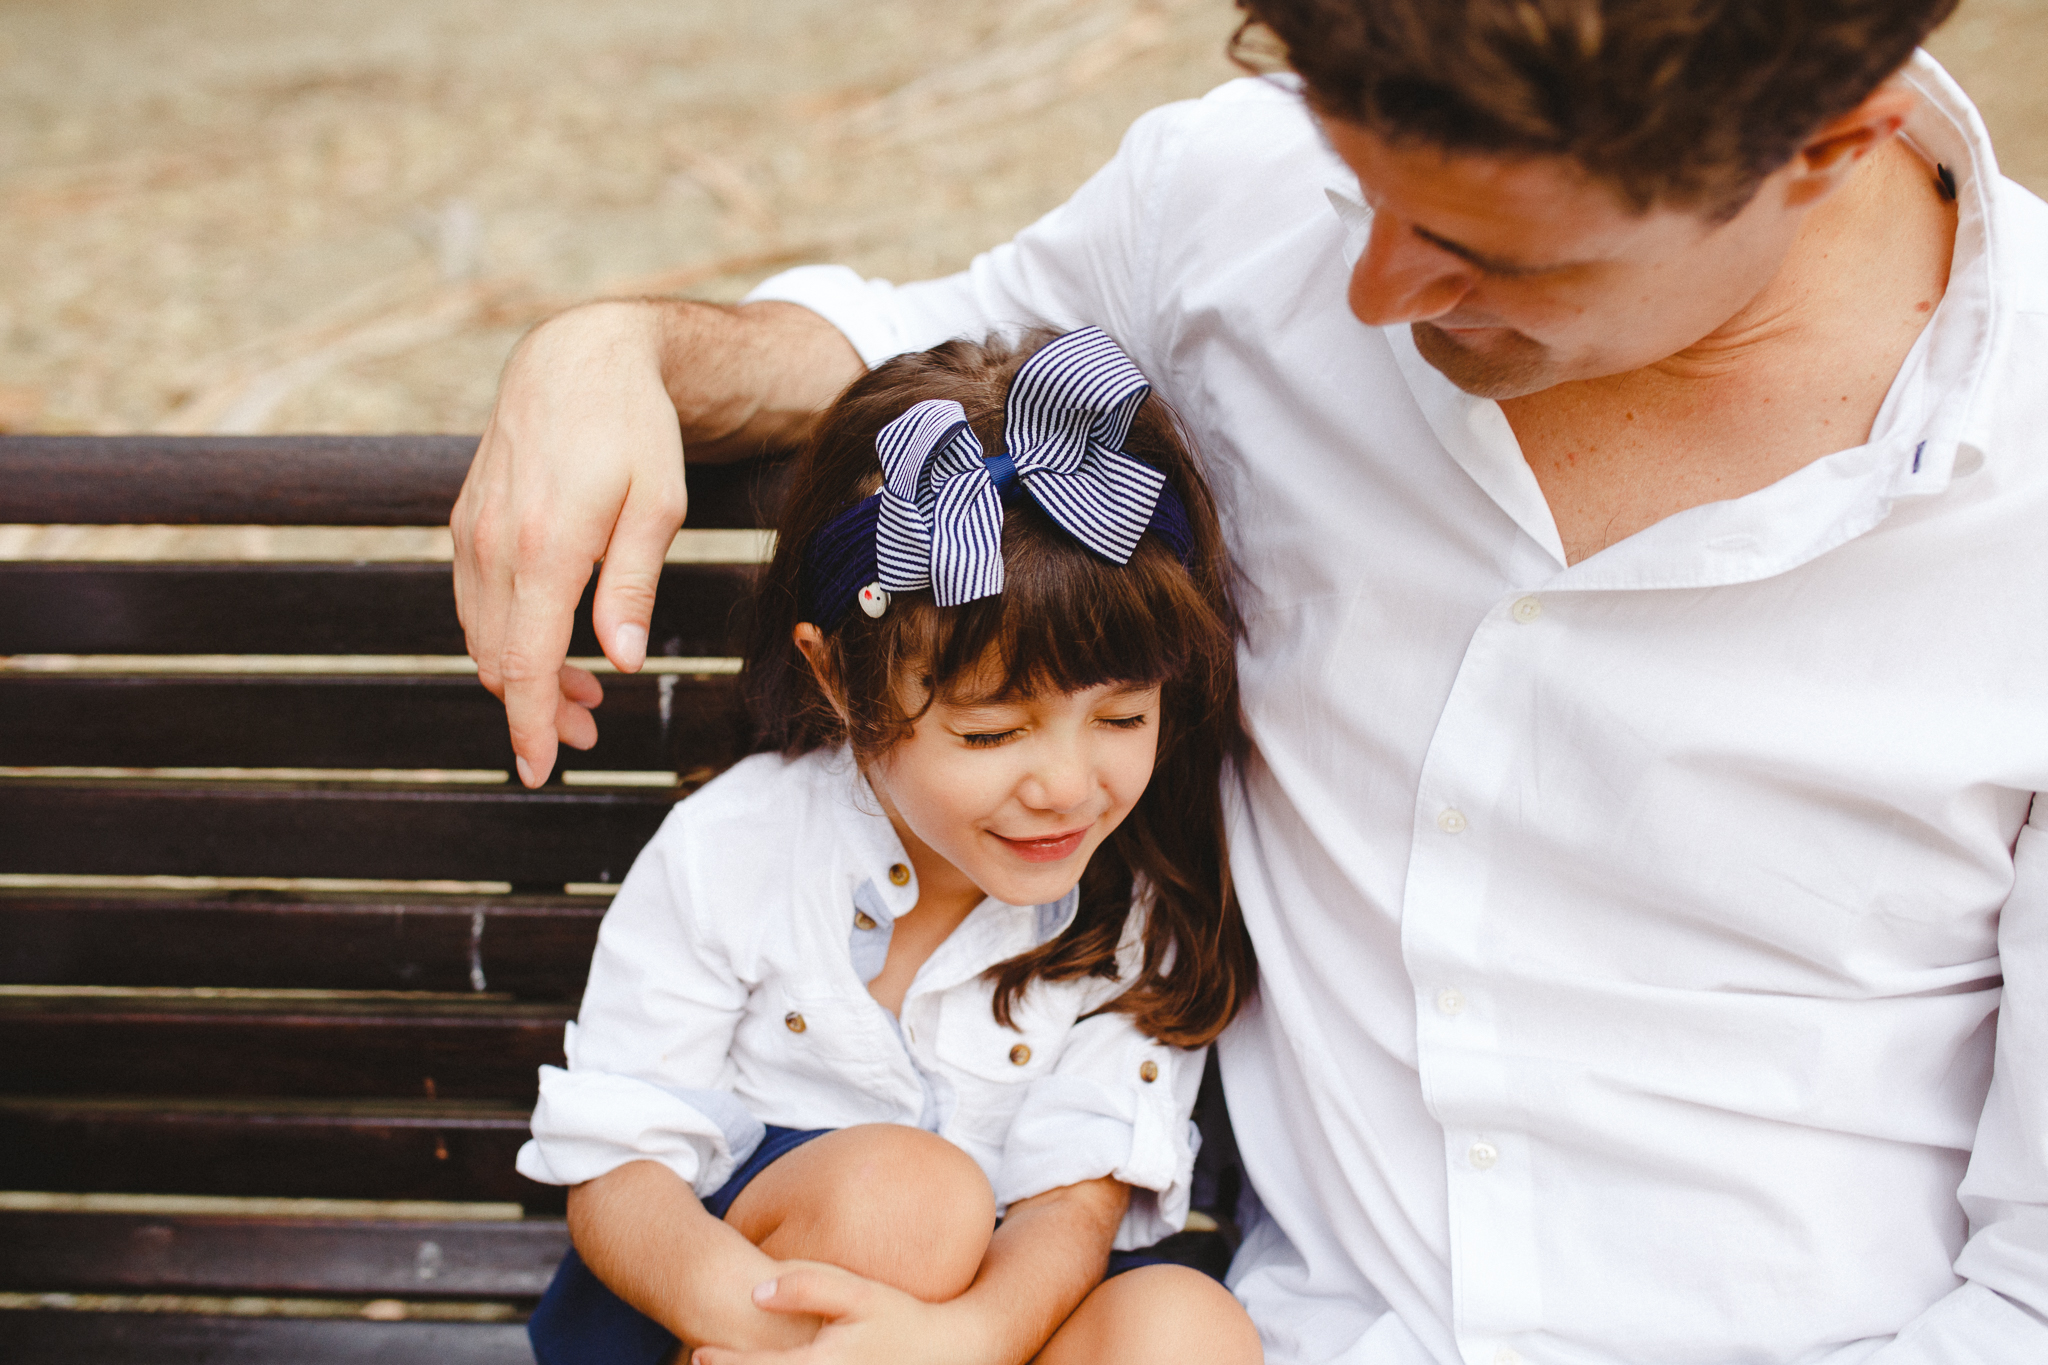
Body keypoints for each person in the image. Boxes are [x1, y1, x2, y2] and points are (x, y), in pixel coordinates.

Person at [454, 1, 2048, 1361]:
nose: (1367, 296)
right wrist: (613, 348)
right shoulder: (1246, 201)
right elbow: (905, 359)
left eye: (1488, 251)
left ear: (1832, 139)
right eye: (1360, 190)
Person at [513, 328, 1263, 1365]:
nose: (1063, 785)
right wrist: (781, 1329)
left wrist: (954, 1342)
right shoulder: (735, 847)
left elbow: (1073, 1200)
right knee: (909, 1201)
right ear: (836, 680)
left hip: (997, 1317)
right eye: (989, 732)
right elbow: (619, 1172)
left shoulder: (1136, 898)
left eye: (1123, 717)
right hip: (740, 1299)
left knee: (1186, 1329)